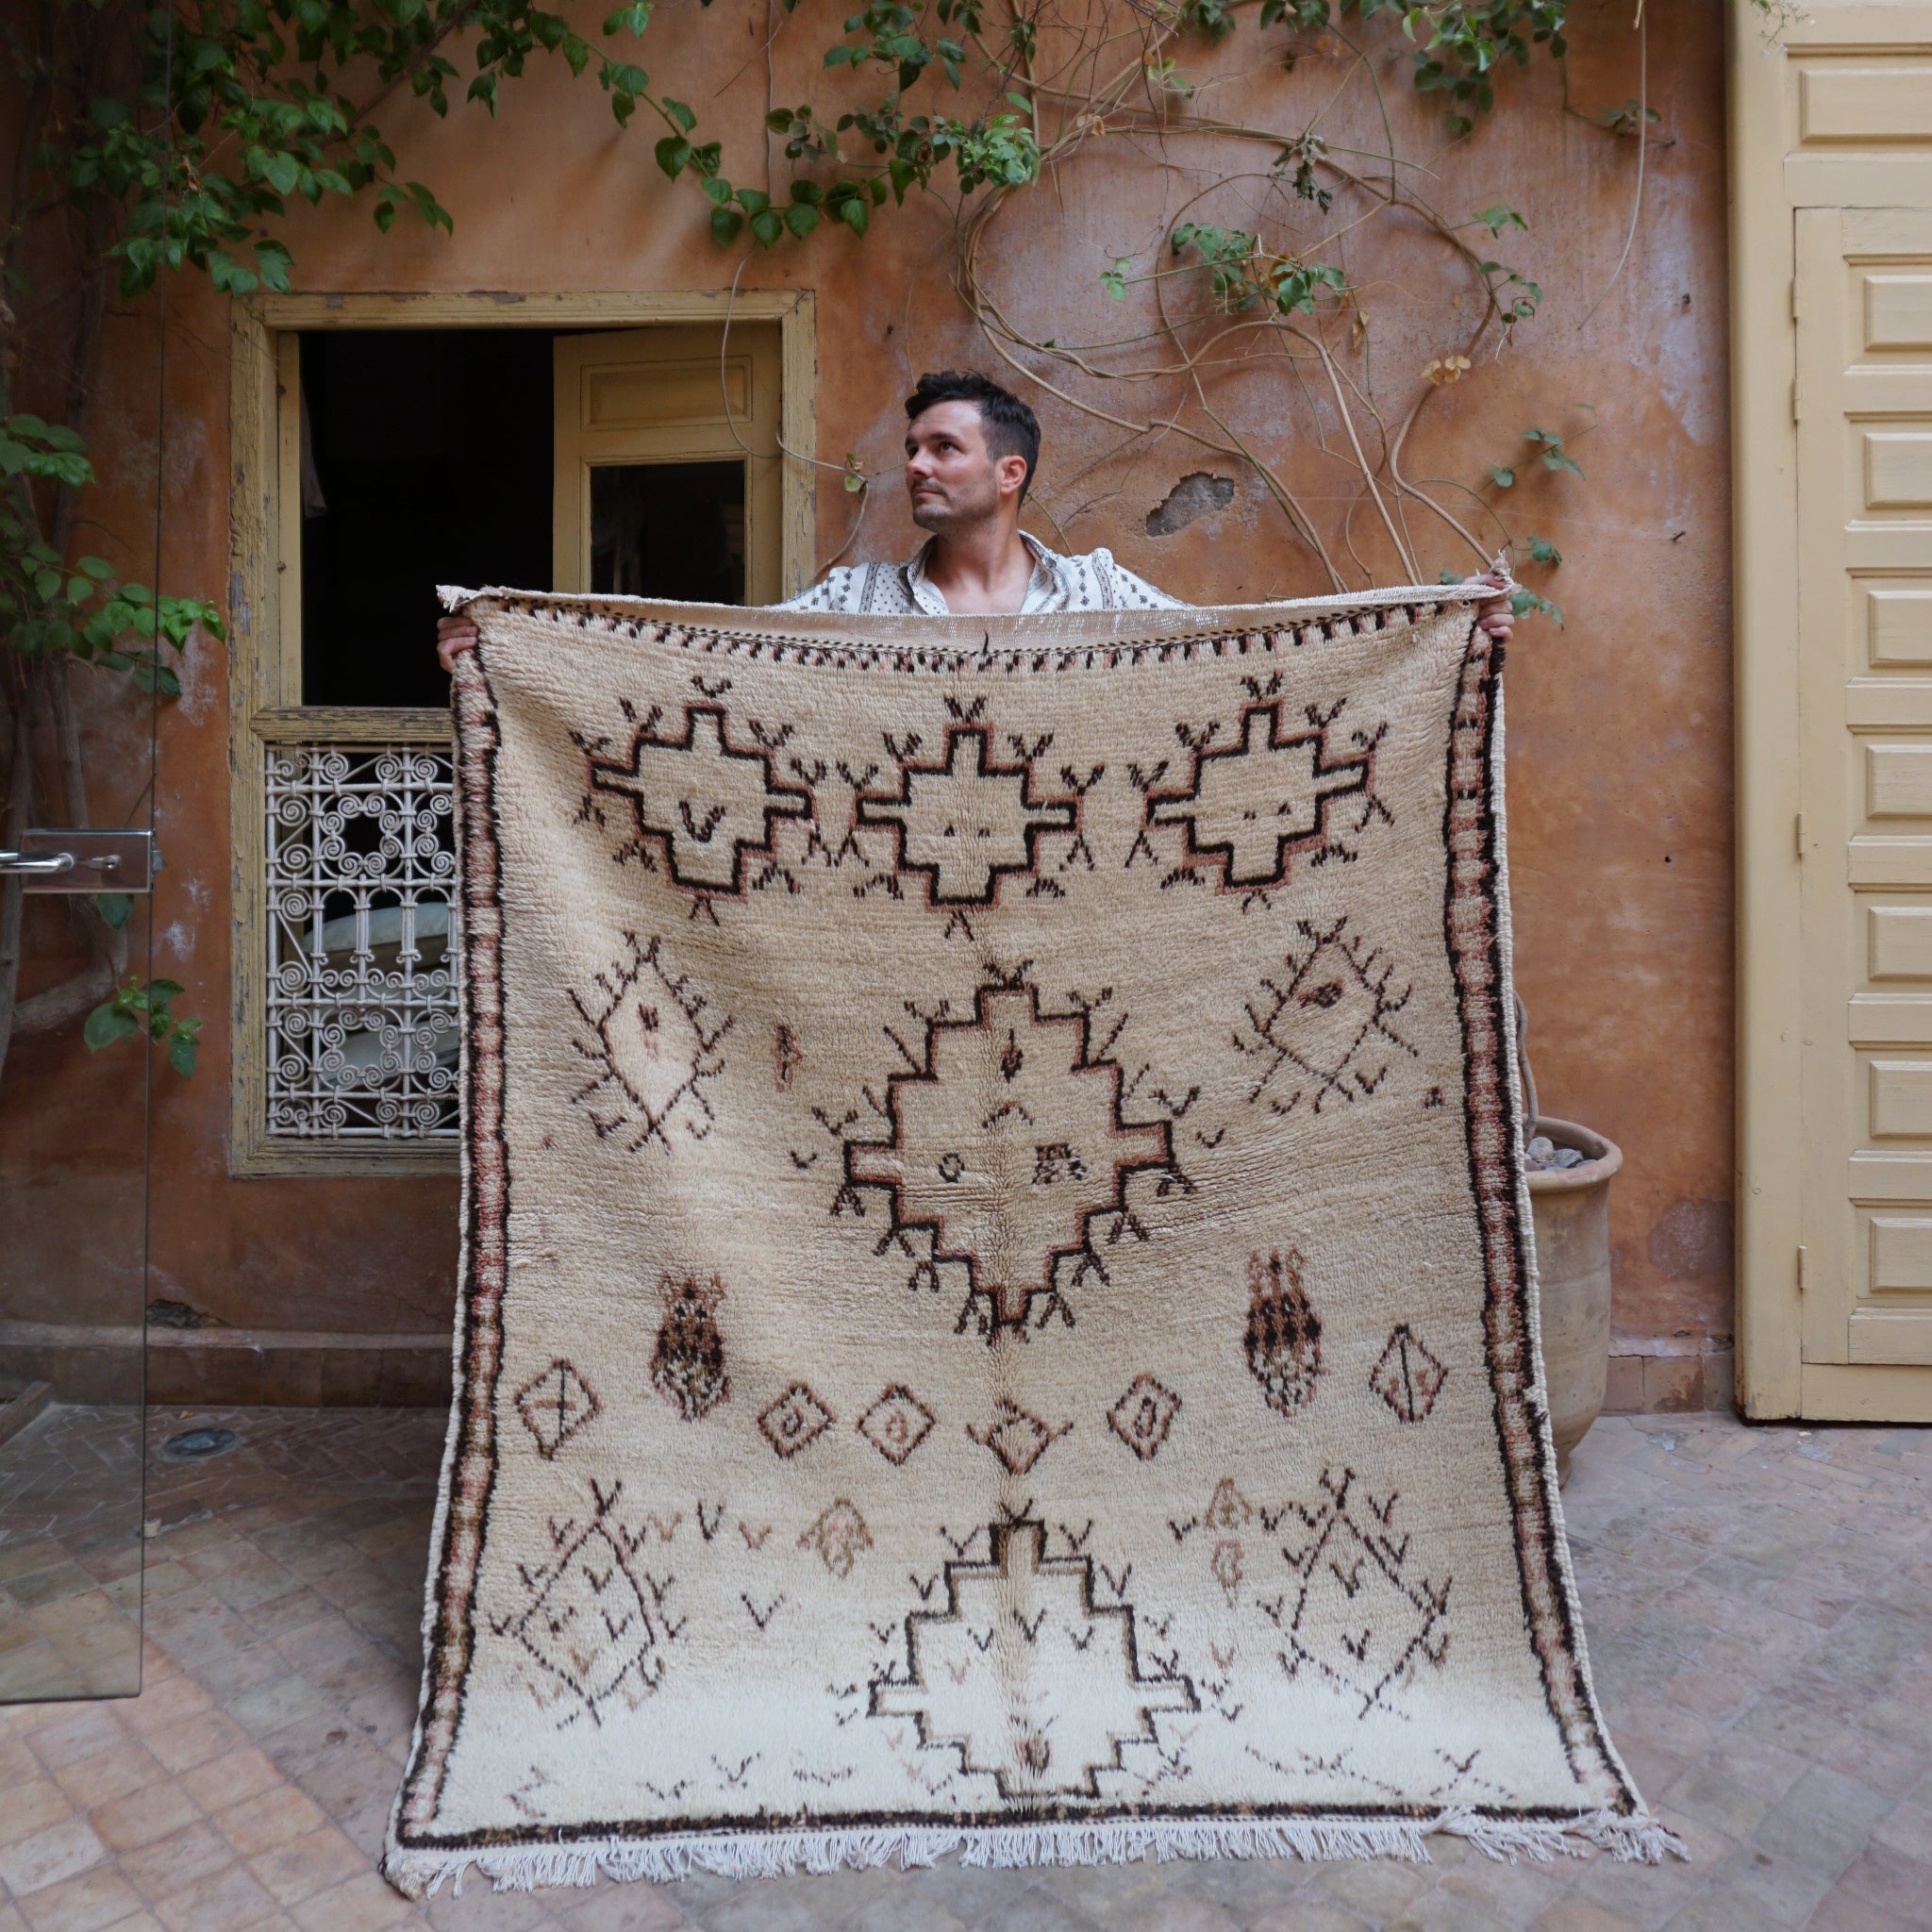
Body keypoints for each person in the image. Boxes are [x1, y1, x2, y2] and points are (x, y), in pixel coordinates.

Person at [434, 368, 1513, 666]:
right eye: (908, 450)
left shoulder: (1098, 593)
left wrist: (1438, 628)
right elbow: (717, 658)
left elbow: (1237, 658)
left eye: (940, 448)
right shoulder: (854, 604)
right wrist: (521, 650)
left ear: (1008, 473)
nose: (913, 466)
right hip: (896, 937)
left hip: (1073, 936)